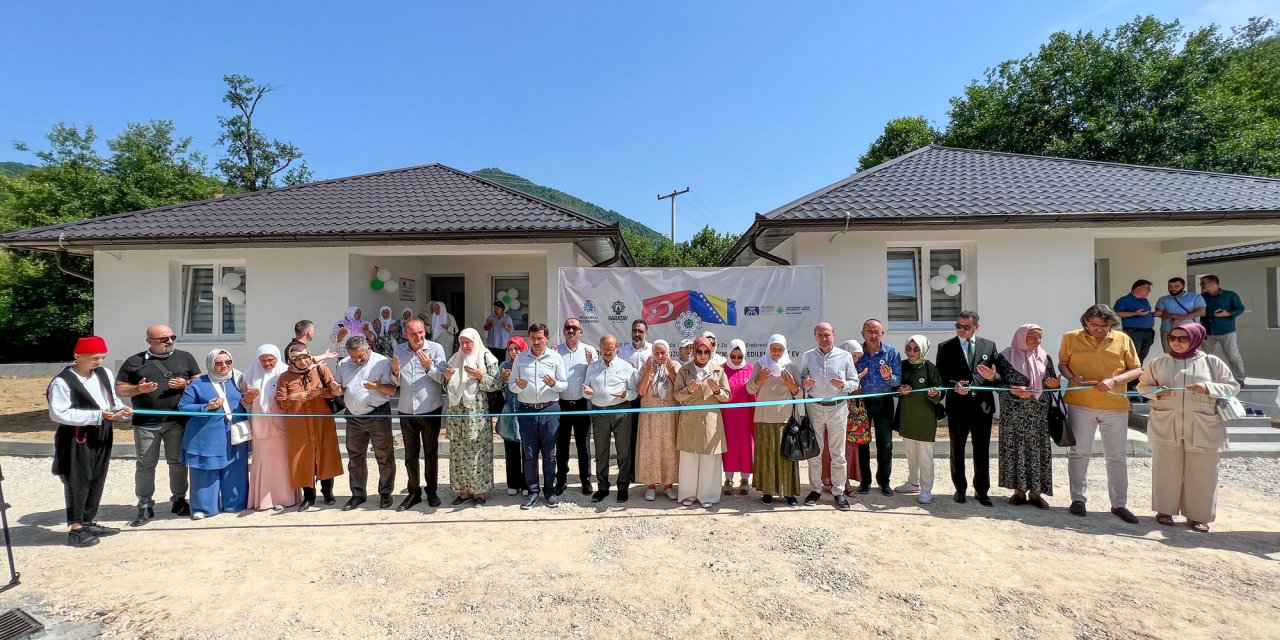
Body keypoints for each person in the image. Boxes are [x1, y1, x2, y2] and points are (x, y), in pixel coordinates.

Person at [1137, 322, 1239, 532]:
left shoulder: (1212, 363)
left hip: (1204, 425)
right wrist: (1157, 391)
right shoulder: (1158, 363)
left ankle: (1198, 516)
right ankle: (1165, 510)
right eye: (1172, 338)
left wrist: (1208, 387)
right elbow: (1142, 386)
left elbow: (1232, 386)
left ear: (1196, 339)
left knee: (1204, 472)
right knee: (1165, 469)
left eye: (1183, 339)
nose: (1176, 343)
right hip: (1167, 424)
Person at [1058, 304, 1143, 523]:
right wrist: (1071, 377)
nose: (1099, 329)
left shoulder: (1123, 339)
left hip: (1115, 405)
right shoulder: (1070, 337)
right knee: (1079, 453)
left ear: (1111, 324)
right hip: (1080, 403)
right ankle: (1078, 499)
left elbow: (1136, 369)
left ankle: (1119, 504)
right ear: (1085, 322)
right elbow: (1063, 364)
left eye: (1104, 325)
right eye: (1094, 324)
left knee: (1116, 456)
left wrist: (1114, 381)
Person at [48, 336, 130, 547]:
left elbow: (111, 399)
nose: (99, 362)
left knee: (97, 475)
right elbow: (58, 414)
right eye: (94, 358)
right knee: (78, 478)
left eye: (102, 357)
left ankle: (88, 520)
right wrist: (96, 416)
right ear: (78, 356)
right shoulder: (63, 381)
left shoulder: (104, 373)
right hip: (77, 435)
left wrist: (119, 410)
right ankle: (76, 527)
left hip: (102, 430)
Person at [114, 324, 198, 527]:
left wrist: (185, 384)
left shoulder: (185, 357)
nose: (170, 341)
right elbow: (120, 389)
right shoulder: (135, 361)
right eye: (163, 339)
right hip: (146, 423)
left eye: (172, 337)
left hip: (177, 421)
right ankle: (144, 504)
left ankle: (179, 500)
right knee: (145, 464)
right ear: (149, 341)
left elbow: (198, 382)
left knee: (177, 463)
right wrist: (138, 388)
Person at [937, 311, 1001, 506]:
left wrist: (992, 377)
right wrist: (955, 385)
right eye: (958, 326)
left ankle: (982, 491)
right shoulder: (946, 347)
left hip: (982, 406)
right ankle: (960, 489)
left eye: (966, 327)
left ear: (976, 327)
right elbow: (941, 376)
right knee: (957, 448)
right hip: (958, 406)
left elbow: (998, 378)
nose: (961, 330)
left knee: (981, 449)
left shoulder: (988, 346)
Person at [991, 325, 1059, 509]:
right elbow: (997, 384)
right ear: (1021, 337)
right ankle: (1018, 492)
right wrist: (1014, 390)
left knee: (1037, 451)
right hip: (1014, 414)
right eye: (1033, 337)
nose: (1037, 342)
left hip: (1038, 414)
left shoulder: (1045, 357)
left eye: (1040, 338)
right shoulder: (1005, 357)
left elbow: (1051, 383)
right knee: (1015, 449)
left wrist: (1054, 384)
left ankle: (1036, 493)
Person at [178, 349, 250, 519]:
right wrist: (205, 407)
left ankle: (235, 503)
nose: (224, 366)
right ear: (211, 364)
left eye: (228, 362)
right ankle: (203, 508)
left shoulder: (239, 380)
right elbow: (183, 407)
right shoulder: (198, 384)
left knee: (235, 469)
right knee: (205, 471)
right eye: (218, 363)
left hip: (233, 435)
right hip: (205, 437)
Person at [276, 345, 344, 511]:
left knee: (326, 454)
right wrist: (293, 397)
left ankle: (328, 492)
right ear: (291, 360)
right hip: (299, 425)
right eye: (297, 359)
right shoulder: (285, 377)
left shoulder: (321, 370)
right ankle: (308, 496)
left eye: (305, 357)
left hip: (322, 421)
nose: (302, 361)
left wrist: (326, 391)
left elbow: (334, 390)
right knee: (302, 458)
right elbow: (280, 401)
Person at [333, 336, 398, 510]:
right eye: (354, 357)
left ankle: (385, 493)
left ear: (368, 348)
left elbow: (392, 390)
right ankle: (358, 494)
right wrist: (335, 389)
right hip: (353, 417)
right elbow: (340, 388)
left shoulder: (382, 362)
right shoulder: (344, 364)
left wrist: (377, 387)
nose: (357, 360)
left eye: (361, 357)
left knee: (384, 456)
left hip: (377, 415)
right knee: (355, 457)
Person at [800, 322, 860, 510]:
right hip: (815, 407)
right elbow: (802, 381)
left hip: (838, 407)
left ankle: (838, 491)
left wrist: (844, 385)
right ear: (815, 336)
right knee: (815, 451)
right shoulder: (808, 356)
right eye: (819, 335)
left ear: (834, 334)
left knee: (838, 453)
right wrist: (806, 383)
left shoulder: (844, 357)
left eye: (826, 335)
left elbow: (855, 382)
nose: (823, 338)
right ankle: (816, 489)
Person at [391, 319, 449, 510]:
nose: (419, 337)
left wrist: (428, 367)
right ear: (406, 335)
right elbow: (396, 382)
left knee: (431, 452)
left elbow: (443, 378)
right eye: (414, 334)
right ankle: (414, 492)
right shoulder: (399, 350)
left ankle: (432, 491)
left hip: (430, 408)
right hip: (406, 409)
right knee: (410, 454)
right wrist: (395, 372)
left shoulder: (436, 348)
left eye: (421, 332)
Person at [510, 323, 568, 509]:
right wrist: (517, 386)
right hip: (526, 411)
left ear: (547, 338)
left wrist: (554, 384)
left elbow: (564, 385)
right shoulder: (520, 358)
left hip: (549, 410)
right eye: (533, 338)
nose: (536, 341)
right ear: (529, 338)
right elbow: (511, 385)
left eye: (540, 338)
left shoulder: (556, 358)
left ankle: (549, 491)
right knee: (529, 455)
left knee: (550, 455)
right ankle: (533, 491)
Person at [442, 328, 503, 506]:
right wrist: (446, 379)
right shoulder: (454, 359)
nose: (465, 345)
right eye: (462, 342)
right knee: (459, 453)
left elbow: (497, 384)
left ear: (475, 341)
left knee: (478, 453)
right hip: (457, 415)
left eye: (468, 341)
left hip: (477, 415)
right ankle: (464, 491)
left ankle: (480, 493)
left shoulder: (487, 358)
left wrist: (480, 375)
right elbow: (446, 388)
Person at [674, 337, 731, 508]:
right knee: (689, 458)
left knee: (710, 460)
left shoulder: (718, 371)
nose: (702, 355)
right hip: (690, 419)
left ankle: (708, 495)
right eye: (699, 351)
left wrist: (716, 389)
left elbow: (726, 397)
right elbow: (677, 395)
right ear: (693, 351)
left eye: (706, 352)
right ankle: (688, 494)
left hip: (711, 420)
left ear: (711, 352)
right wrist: (689, 389)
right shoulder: (684, 370)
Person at [747, 334, 802, 506]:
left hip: (786, 419)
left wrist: (792, 384)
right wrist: (760, 379)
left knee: (786, 455)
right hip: (764, 418)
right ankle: (767, 491)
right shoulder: (761, 364)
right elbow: (749, 389)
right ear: (768, 348)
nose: (776, 352)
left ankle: (788, 492)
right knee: (766, 455)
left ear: (785, 349)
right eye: (773, 349)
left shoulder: (791, 367)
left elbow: (799, 394)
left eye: (780, 349)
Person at [584, 334, 639, 503]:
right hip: (599, 413)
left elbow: (635, 393)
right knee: (601, 452)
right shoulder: (592, 367)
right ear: (600, 347)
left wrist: (626, 394)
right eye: (605, 347)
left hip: (621, 412)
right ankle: (603, 487)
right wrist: (587, 393)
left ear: (617, 348)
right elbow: (584, 390)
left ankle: (623, 486)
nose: (608, 351)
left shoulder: (626, 367)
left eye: (611, 348)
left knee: (623, 452)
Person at [242, 344, 298, 511]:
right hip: (260, 427)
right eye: (263, 361)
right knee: (262, 461)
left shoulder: (286, 372)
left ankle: (284, 498)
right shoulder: (249, 375)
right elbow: (244, 402)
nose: (267, 364)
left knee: (282, 462)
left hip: (282, 425)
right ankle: (263, 500)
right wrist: (249, 398)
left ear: (277, 358)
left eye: (270, 360)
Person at [895, 335, 943, 505]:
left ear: (923, 349)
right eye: (909, 348)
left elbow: (940, 392)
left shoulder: (930, 368)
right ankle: (912, 482)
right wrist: (900, 391)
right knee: (910, 453)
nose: (912, 352)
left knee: (925, 456)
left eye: (916, 349)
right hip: (907, 417)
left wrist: (934, 393)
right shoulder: (901, 366)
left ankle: (926, 490)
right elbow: (894, 387)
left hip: (924, 419)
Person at [854, 319, 899, 496]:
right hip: (862, 404)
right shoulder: (856, 353)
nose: (873, 335)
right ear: (862, 333)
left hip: (884, 401)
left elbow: (897, 380)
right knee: (862, 442)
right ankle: (865, 481)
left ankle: (884, 482)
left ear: (882, 333)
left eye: (876, 332)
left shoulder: (891, 353)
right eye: (869, 331)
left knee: (885, 444)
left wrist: (889, 378)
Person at [555, 317, 597, 496]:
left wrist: (590, 363)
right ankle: (561, 480)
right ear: (564, 331)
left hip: (582, 404)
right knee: (562, 445)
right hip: (561, 404)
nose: (571, 330)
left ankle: (586, 480)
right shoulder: (556, 352)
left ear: (581, 331)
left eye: (574, 328)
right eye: (567, 328)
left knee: (583, 445)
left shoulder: (590, 351)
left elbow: (596, 375)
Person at [635, 340, 680, 501]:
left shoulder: (675, 365)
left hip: (669, 417)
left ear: (668, 353)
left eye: (663, 353)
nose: (660, 356)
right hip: (650, 417)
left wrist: (672, 372)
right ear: (652, 353)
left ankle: (668, 485)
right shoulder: (646, 366)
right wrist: (648, 372)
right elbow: (641, 391)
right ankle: (651, 485)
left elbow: (681, 392)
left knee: (669, 450)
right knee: (650, 450)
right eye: (657, 353)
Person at [823, 339, 866, 495]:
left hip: (851, 417)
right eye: (853, 355)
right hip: (832, 412)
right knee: (830, 447)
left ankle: (844, 481)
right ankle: (829, 480)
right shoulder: (835, 365)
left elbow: (856, 392)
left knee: (847, 449)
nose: (855, 359)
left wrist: (856, 380)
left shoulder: (857, 368)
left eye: (857, 356)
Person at [619, 319, 653, 485]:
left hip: (649, 400)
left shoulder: (654, 350)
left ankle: (646, 472)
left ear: (646, 332)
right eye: (634, 331)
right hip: (630, 399)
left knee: (647, 437)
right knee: (630, 437)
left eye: (640, 331)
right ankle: (631, 472)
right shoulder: (623, 351)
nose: (637, 334)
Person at [721, 339, 756, 496]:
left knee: (746, 447)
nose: (736, 360)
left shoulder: (751, 370)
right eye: (733, 356)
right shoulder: (721, 370)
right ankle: (728, 479)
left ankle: (744, 479)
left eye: (739, 357)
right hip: (726, 417)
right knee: (729, 447)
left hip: (746, 417)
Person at [1198, 275, 1247, 385]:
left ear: (1214, 284)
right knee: (1206, 356)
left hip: (1226, 330)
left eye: (1203, 283)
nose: (1201, 286)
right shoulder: (1202, 297)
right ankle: (1208, 378)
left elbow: (1240, 308)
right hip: (1208, 331)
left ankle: (1239, 379)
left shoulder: (1230, 295)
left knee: (1232, 355)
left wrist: (1228, 313)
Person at [497, 337, 530, 496]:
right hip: (509, 412)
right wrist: (503, 378)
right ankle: (513, 483)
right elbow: (498, 388)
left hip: (525, 411)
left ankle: (526, 484)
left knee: (527, 450)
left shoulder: (528, 364)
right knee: (511, 450)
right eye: (511, 349)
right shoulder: (504, 366)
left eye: (517, 349)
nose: (514, 352)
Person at [1114, 280, 1155, 398]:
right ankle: (1128, 381)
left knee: (1141, 356)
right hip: (1133, 332)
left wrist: (1153, 314)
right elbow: (1117, 313)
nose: (1149, 291)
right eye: (1147, 288)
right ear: (1138, 288)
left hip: (1147, 333)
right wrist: (1134, 313)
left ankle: (1135, 379)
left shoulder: (1144, 300)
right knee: (1132, 357)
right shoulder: (1124, 300)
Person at [1153, 277, 1205, 354]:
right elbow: (1160, 313)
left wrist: (1181, 318)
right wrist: (1173, 316)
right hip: (1168, 330)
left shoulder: (1195, 297)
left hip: (1191, 330)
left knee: (1194, 354)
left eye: (1176, 286)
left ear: (1183, 286)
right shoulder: (1162, 299)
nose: (1173, 288)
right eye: (1170, 287)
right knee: (1169, 354)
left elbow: (1201, 311)